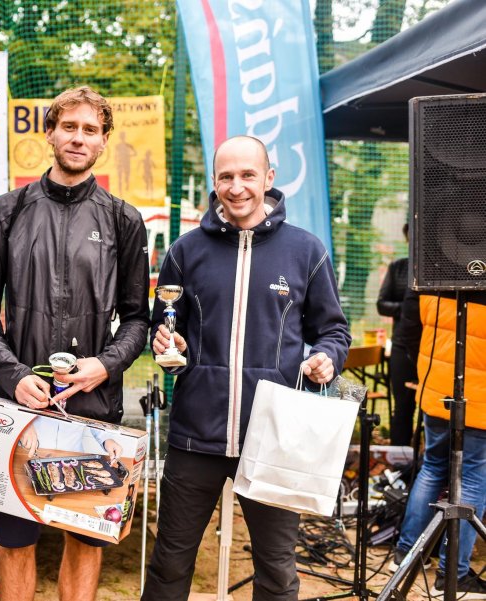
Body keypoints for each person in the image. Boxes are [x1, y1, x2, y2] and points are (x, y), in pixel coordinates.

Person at [142, 135, 351, 601]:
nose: (236, 187)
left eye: (247, 175)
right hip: (195, 435)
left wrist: (326, 359)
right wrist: (167, 348)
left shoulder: (306, 250)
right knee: (169, 562)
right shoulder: (185, 251)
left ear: (268, 179)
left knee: (276, 572)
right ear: (214, 183)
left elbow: (335, 332)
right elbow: (166, 335)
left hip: (274, 437)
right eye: (226, 177)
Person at [0, 85, 149, 601]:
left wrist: (105, 365)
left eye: (90, 130)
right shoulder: (8, 211)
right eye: (69, 126)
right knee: (16, 538)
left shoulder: (123, 219)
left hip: (91, 409)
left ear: (104, 141)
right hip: (19, 408)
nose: (78, 137)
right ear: (49, 132)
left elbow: (138, 319)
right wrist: (14, 375)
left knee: (83, 537)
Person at [391, 292, 486, 597]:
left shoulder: (429, 274)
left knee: (432, 467)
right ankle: (452, 575)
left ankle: (407, 555)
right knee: (472, 479)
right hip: (480, 400)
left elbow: (405, 335)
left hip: (437, 391)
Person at [377, 223, 420, 446]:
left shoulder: (439, 269)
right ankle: (398, 459)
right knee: (403, 406)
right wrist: (406, 309)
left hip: (433, 348)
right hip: (402, 347)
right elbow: (381, 304)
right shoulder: (398, 268)